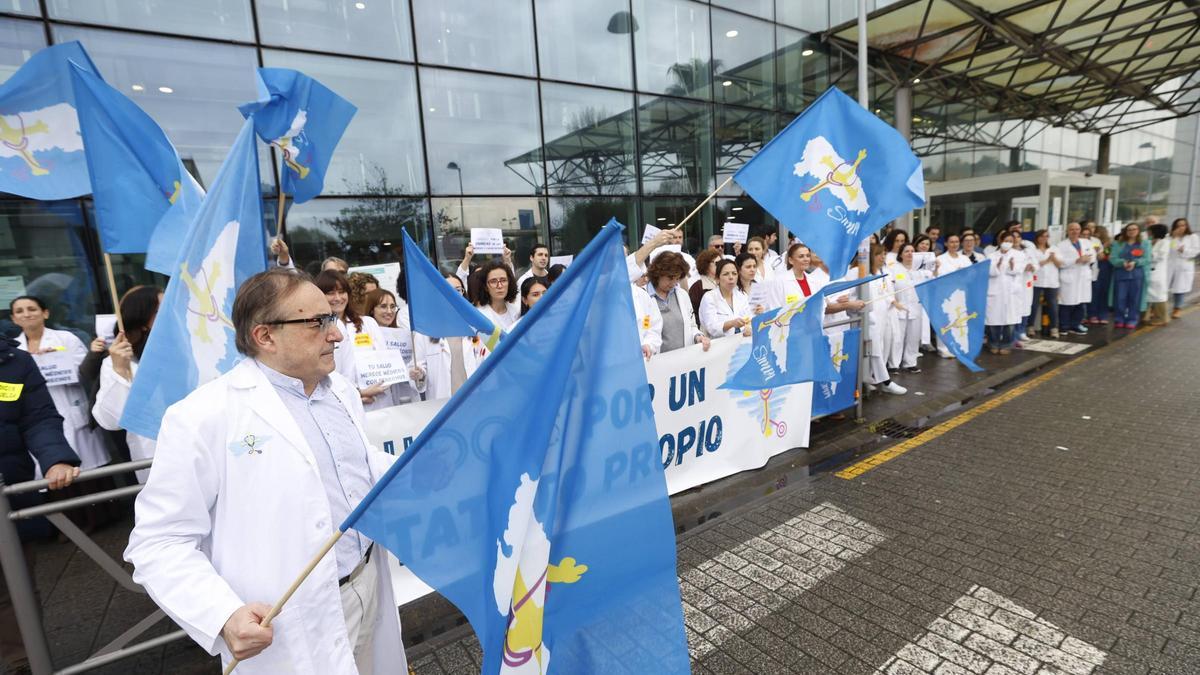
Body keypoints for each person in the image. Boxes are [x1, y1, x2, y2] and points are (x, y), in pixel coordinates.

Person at [124, 269, 404, 674]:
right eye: (318, 322)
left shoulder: (339, 391)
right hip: (294, 624)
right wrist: (221, 614)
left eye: (333, 319)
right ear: (265, 336)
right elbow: (158, 542)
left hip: (368, 581)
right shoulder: (202, 417)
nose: (337, 334)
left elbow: (355, 466)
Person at [0, 335, 81, 674]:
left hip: (9, 496)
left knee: (12, 586)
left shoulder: (13, 361)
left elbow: (38, 418)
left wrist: (55, 459)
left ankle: (22, 660)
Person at [10, 296, 109, 471]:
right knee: (57, 480)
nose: (26, 314)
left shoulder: (66, 339)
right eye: (19, 311)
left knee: (92, 478)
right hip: (36, 419)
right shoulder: (14, 352)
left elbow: (85, 374)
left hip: (73, 413)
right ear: (14, 319)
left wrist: (56, 359)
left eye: (32, 309)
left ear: (45, 313)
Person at [92, 286, 162, 483]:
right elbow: (111, 421)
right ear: (144, 320)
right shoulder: (121, 362)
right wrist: (121, 372)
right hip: (157, 458)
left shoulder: (193, 348)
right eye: (161, 310)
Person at [314, 271, 389, 407]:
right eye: (330, 293)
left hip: (378, 398)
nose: (338, 298)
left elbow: (384, 360)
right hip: (341, 403)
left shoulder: (367, 323)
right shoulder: (316, 329)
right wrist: (357, 394)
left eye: (342, 292)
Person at [411, 274, 483, 399]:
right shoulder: (424, 332)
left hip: (474, 399)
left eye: (458, 290)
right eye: (447, 290)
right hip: (443, 403)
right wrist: (418, 374)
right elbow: (419, 369)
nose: (453, 294)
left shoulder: (475, 324)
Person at [362, 289, 420, 407]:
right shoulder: (362, 337)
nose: (389, 311)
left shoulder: (404, 335)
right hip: (378, 400)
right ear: (372, 310)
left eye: (393, 306)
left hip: (405, 398)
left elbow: (412, 364)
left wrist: (414, 372)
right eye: (383, 306)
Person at [645, 252, 710, 354]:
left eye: (677, 278)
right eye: (670, 278)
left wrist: (698, 337)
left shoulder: (682, 295)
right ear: (657, 273)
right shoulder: (643, 296)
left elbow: (691, 326)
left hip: (681, 362)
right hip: (654, 362)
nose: (674, 283)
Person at [864, 245, 906, 395]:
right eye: (878, 254)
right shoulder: (862, 273)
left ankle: (870, 379)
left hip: (885, 315)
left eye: (884, 254)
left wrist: (894, 302)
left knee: (880, 348)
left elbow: (887, 293)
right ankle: (886, 381)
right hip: (870, 317)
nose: (882, 257)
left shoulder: (886, 272)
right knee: (874, 349)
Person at [886, 244, 923, 372]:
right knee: (898, 337)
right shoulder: (893, 268)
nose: (910, 253)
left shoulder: (919, 269)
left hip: (916, 307)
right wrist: (894, 302)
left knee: (913, 337)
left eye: (913, 251)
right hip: (898, 307)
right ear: (900, 254)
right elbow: (889, 287)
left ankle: (910, 362)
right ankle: (893, 364)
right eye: (906, 251)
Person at [1108, 222, 1151, 329]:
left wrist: (1135, 262)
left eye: (1134, 229)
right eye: (1129, 229)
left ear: (1138, 231)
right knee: (1120, 298)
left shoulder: (1145, 244)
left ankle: (1132, 319)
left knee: (1134, 298)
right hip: (1121, 274)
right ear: (1125, 232)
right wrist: (1122, 262)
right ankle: (1119, 318)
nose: (1132, 231)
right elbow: (1112, 258)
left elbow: (1147, 259)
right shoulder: (1118, 244)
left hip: (1137, 275)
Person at [985, 231, 1022, 354]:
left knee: (1009, 321)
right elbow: (988, 272)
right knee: (993, 320)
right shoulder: (991, 255)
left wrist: (1012, 266)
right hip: (995, 291)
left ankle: (1007, 344)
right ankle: (993, 343)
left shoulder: (1019, 255)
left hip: (1011, 292)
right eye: (1006, 241)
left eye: (1010, 241)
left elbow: (1019, 270)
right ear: (1000, 241)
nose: (1008, 243)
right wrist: (997, 265)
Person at [1055, 222, 1094, 335]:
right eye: (1072, 229)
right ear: (1067, 231)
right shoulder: (1061, 245)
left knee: (1081, 303)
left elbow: (1093, 257)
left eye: (1077, 229)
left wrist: (1088, 259)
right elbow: (1060, 262)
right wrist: (1075, 261)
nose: (1075, 231)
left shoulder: (1086, 243)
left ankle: (1075, 325)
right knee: (1066, 303)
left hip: (1083, 275)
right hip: (1069, 275)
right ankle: (1064, 326)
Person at [699, 259, 752, 338]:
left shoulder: (742, 295)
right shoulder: (709, 297)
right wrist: (731, 324)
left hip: (742, 343)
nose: (731, 277)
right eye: (726, 274)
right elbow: (712, 328)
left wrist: (748, 327)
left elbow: (749, 318)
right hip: (719, 346)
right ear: (717, 279)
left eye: (734, 274)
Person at [471, 259, 521, 332]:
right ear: (485, 286)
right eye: (493, 281)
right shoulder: (480, 316)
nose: (500, 286)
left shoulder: (517, 312)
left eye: (503, 280)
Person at [1030, 230, 1062, 339]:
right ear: (1037, 237)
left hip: (1051, 281)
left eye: (1046, 236)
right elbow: (1034, 265)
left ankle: (1054, 328)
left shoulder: (1054, 249)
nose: (1044, 238)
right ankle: (1030, 327)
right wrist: (1048, 260)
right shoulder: (1033, 250)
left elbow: (1060, 264)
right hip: (1036, 281)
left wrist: (1054, 259)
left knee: (1052, 305)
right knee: (1033, 305)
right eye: (1041, 236)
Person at [1168, 218, 1199, 318]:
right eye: (1178, 225)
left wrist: (1184, 250)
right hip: (1170, 265)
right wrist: (1174, 237)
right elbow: (1167, 249)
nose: (1181, 227)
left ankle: (1177, 309)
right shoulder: (1170, 237)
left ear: (1187, 226)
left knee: (1180, 289)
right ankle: (1157, 309)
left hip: (1184, 266)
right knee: (1164, 288)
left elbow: (1196, 251)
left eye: (1183, 225)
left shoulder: (1192, 237)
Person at [1145, 223, 1171, 326]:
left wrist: (1148, 254)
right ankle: (1146, 315)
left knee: (1159, 297)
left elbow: (1161, 256)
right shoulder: (1149, 242)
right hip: (1148, 271)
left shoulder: (1164, 242)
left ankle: (1162, 318)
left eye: (1149, 231)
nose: (1147, 233)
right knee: (1147, 296)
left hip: (1157, 272)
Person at [688, 249, 722, 327]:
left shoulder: (724, 281)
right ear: (706, 265)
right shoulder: (698, 286)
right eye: (717, 263)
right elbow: (693, 312)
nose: (720, 265)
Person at [1087, 226, 1113, 325]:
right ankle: (1092, 314)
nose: (1095, 233)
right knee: (1094, 292)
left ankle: (1103, 314)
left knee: (1103, 292)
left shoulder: (1109, 243)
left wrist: (1105, 248)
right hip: (1094, 268)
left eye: (1097, 231)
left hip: (1105, 268)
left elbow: (1107, 255)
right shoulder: (1091, 241)